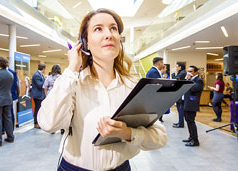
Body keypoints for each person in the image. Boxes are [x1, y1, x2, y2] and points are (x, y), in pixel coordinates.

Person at [38, 8, 167, 171]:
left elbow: (160, 137)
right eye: (98, 29)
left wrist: (128, 133)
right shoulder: (73, 82)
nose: (109, 34)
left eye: (113, 28)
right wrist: (72, 67)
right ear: (85, 43)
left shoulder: (132, 85)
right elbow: (48, 124)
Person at [182, 65, 203, 147]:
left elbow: (194, 89)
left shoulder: (199, 80)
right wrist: (187, 80)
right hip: (186, 103)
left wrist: (188, 80)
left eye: (191, 71)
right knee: (188, 120)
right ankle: (191, 137)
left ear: (195, 72)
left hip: (192, 104)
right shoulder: (190, 80)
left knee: (191, 121)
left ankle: (195, 140)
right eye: (188, 71)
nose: (189, 73)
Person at [30, 64, 46, 129]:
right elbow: (40, 85)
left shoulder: (40, 74)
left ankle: (38, 122)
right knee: (37, 109)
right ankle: (36, 123)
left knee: (39, 109)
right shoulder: (36, 75)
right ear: (43, 68)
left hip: (40, 95)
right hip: (37, 95)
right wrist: (46, 80)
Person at [172, 62, 186, 128]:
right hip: (180, 93)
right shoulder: (181, 72)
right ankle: (180, 122)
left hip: (181, 93)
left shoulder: (182, 73)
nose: (176, 67)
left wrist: (173, 73)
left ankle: (181, 124)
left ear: (180, 67)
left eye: (177, 66)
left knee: (180, 109)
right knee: (179, 109)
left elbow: (175, 80)